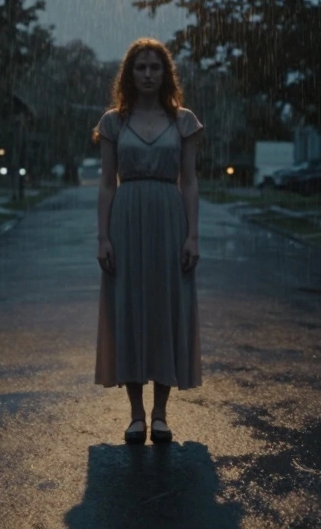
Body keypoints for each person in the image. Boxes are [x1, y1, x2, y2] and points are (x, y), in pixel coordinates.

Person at [92, 37, 203, 445]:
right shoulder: (113, 122)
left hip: (169, 218)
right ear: (129, 74)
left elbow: (189, 182)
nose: (148, 74)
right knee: (130, 309)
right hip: (126, 218)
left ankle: (161, 414)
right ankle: (136, 414)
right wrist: (103, 236)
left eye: (155, 67)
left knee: (166, 309)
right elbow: (106, 184)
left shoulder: (183, 121)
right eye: (140, 67)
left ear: (166, 73)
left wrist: (192, 234)